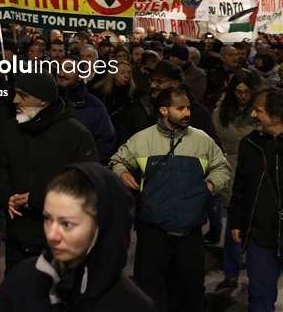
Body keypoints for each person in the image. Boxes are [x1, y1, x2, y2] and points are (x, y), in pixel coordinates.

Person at [109, 86, 230, 312]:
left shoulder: (202, 140)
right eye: (180, 108)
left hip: (190, 229)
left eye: (188, 108)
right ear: (163, 110)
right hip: (152, 229)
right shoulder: (142, 140)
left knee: (191, 289)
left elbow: (222, 167)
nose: (187, 113)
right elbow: (117, 160)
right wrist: (123, 173)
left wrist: (210, 186)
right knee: (149, 288)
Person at [0, 165, 156, 312]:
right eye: (48, 219)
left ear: (101, 227)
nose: (51, 235)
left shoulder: (133, 305)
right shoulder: (20, 282)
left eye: (67, 224)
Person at [0, 73, 99, 273]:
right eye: (16, 93)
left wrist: (37, 198)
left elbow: (85, 185)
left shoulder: (76, 134)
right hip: (17, 240)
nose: (15, 100)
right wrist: (6, 195)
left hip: (58, 245)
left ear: (43, 100)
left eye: (23, 95)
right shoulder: (11, 129)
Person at [230, 87, 283, 312]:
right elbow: (240, 186)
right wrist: (236, 221)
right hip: (260, 236)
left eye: (257, 110)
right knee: (260, 298)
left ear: (277, 116)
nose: (252, 115)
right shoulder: (249, 144)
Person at [211, 71, 257, 289]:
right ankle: (232, 270)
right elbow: (215, 141)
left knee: (257, 218)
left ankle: (257, 266)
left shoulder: (258, 112)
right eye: (238, 92)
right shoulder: (221, 113)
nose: (243, 96)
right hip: (230, 166)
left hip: (256, 167)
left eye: (247, 92)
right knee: (233, 220)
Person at [55, 57, 116, 164]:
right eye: (60, 68)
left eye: (69, 69)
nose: (61, 73)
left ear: (81, 75)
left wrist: (85, 166)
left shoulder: (95, 106)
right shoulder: (47, 101)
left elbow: (106, 142)